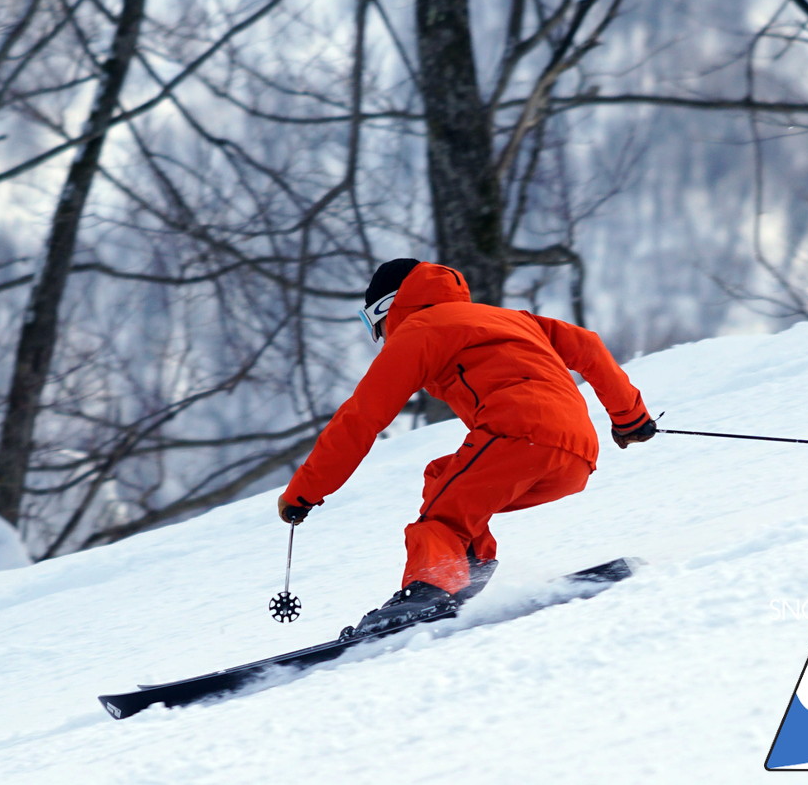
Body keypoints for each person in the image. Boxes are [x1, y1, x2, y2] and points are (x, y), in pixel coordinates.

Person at [277, 259, 655, 632]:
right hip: (577, 455)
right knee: (444, 478)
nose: (379, 335)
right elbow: (587, 347)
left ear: (386, 308)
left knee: (443, 517)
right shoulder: (510, 318)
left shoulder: (420, 329)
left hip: (518, 435)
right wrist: (629, 418)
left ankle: (431, 587)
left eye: (372, 323)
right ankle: (463, 576)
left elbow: (360, 418)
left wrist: (304, 493)